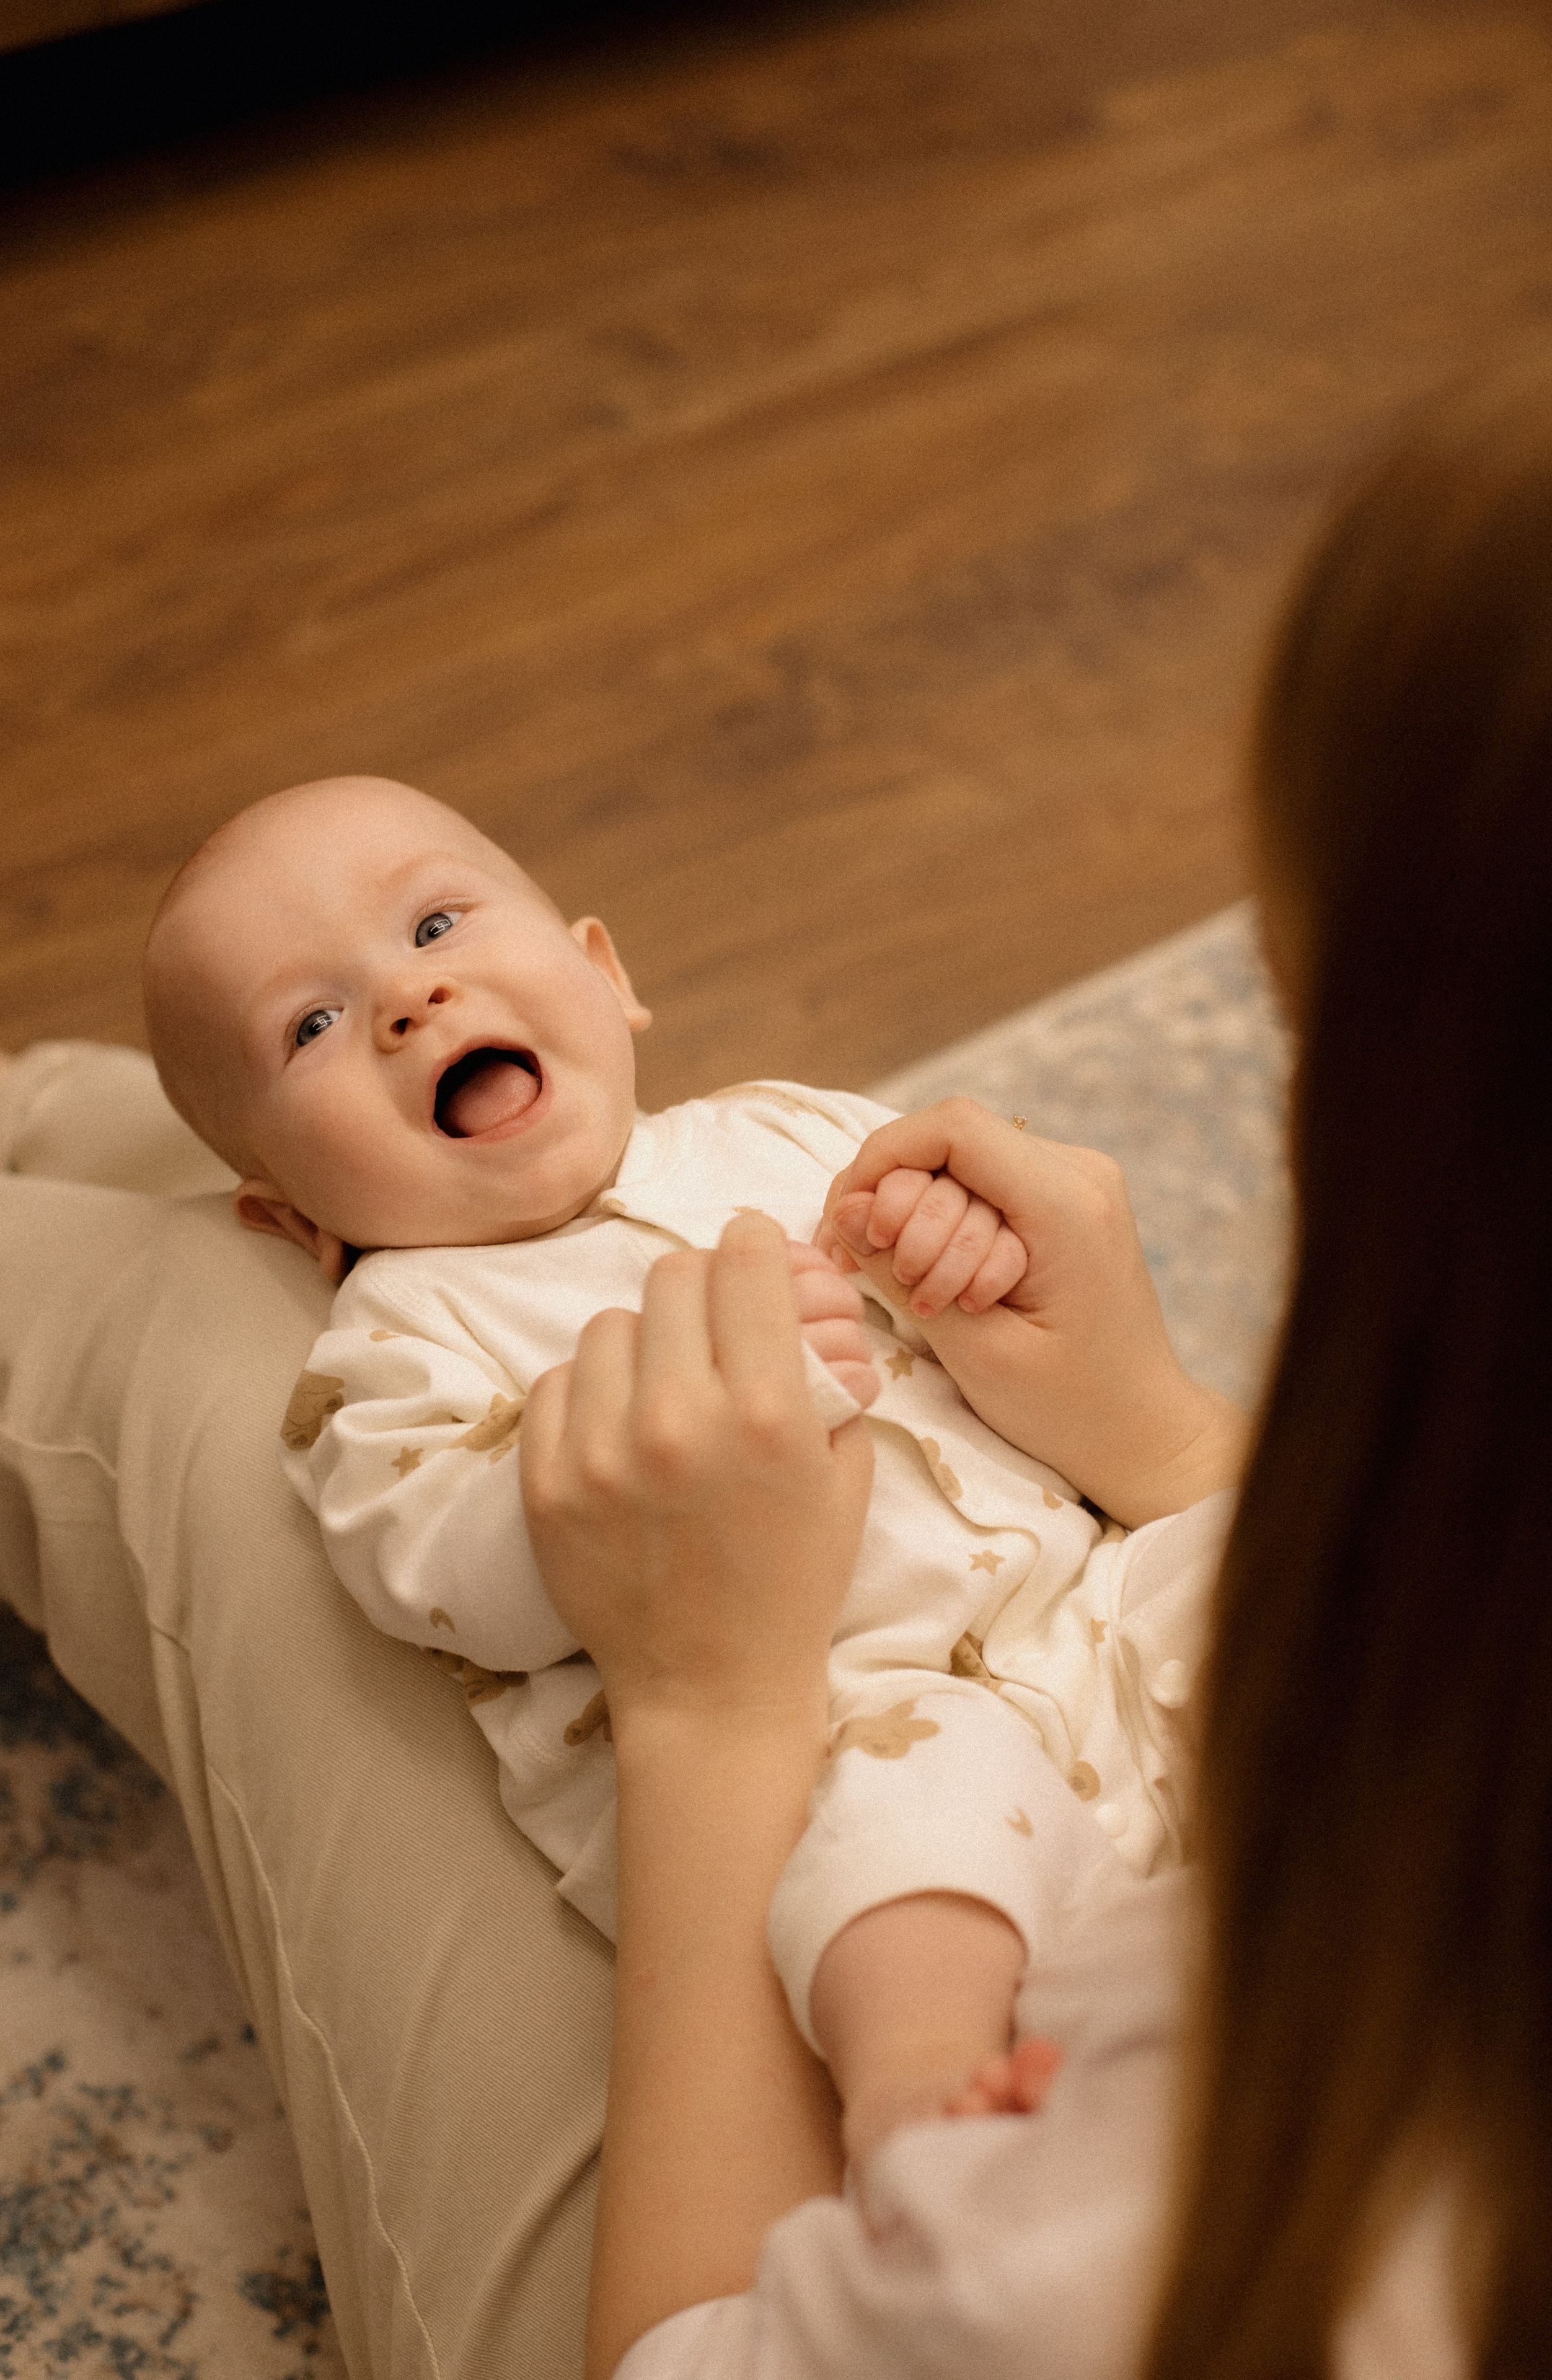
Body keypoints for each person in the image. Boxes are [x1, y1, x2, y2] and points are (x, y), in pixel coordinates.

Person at [510, 353, 1552, 2379]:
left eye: (1296, 1033)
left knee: (198, 1391)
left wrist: (709, 1708)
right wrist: (1163, 1440)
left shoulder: (1249, 2212)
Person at [135, 777, 1242, 2159]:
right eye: (310, 1023)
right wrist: (594, 1474)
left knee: (1236, 1577)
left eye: (433, 923)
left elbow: (999, 1313)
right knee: (913, 1814)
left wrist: (958, 1246)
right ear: (290, 1218)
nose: (405, 1003)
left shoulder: (787, 1132)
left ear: (604, 977)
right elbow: (429, 1573)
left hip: (1080, 1603)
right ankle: (926, 2090)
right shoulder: (397, 1344)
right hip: (841, 1734)